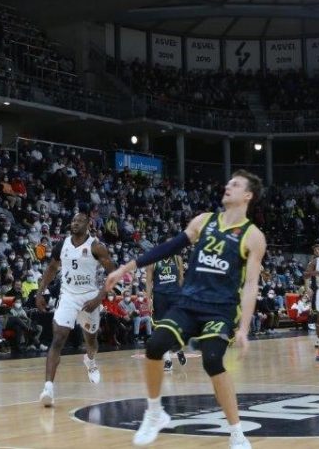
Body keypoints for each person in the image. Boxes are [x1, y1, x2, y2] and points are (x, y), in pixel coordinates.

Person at [105, 170, 266, 448]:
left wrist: (244, 328)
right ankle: (154, 412)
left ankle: (237, 433)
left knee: (212, 361)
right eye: (228, 182)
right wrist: (126, 268)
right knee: (155, 344)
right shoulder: (204, 221)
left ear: (248, 195)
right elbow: (168, 248)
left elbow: (251, 284)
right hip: (189, 302)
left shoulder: (253, 236)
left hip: (220, 309)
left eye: (236, 184)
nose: (228, 186)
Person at [35, 212, 116, 407]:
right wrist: (40, 292)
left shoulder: (97, 246)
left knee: (91, 340)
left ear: (88, 224)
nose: (75, 224)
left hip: (89, 297)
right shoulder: (62, 245)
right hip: (68, 296)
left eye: (79, 221)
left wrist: (99, 298)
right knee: (58, 339)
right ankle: (48, 388)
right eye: (73, 221)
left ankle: (90, 360)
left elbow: (113, 274)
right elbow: (52, 268)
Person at [145, 254, 187, 371]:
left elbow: (181, 279)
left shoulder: (177, 259)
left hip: (175, 296)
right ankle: (167, 360)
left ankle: (178, 348)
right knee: (160, 328)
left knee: (175, 327)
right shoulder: (153, 260)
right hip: (160, 297)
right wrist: (148, 299)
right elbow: (148, 282)